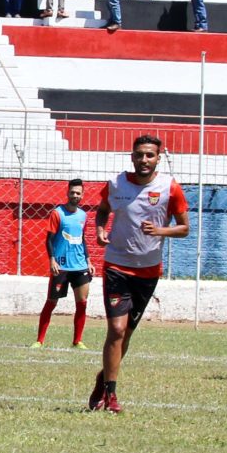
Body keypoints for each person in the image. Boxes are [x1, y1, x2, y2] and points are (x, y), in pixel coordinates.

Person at [88, 134, 188, 413]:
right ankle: (111, 396)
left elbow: (184, 228)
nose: (144, 160)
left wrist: (161, 231)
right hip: (117, 267)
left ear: (159, 157)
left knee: (126, 335)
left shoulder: (170, 188)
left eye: (149, 155)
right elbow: (103, 210)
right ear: (132, 156)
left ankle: (104, 378)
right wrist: (99, 229)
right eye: (139, 154)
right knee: (116, 330)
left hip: (148, 271)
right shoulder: (116, 184)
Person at [33, 177, 92, 349]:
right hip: (61, 266)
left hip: (80, 266)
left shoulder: (83, 215)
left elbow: (82, 239)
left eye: (78, 193)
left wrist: (88, 260)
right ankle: (39, 340)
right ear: (67, 193)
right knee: (51, 302)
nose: (75, 195)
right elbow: (49, 239)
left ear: (82, 195)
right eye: (72, 192)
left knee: (82, 303)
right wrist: (52, 259)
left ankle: (77, 341)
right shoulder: (57, 213)